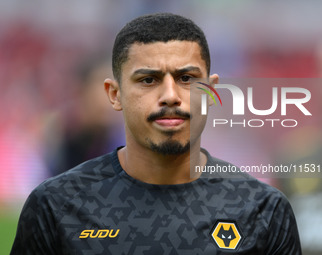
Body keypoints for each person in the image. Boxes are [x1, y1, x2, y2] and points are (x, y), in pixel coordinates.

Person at [11, 13, 301, 254]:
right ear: (114, 94)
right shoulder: (55, 206)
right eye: (148, 80)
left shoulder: (262, 210)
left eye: (186, 78)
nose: (170, 96)